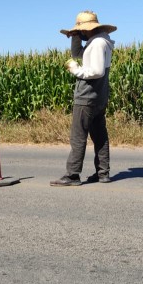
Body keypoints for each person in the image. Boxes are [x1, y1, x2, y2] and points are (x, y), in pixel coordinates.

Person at [50, 10, 117, 186]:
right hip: (100, 96)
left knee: (78, 136)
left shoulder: (96, 44)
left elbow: (96, 71)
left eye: (80, 31)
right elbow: (79, 54)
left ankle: (72, 175)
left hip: (86, 96)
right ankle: (103, 173)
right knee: (99, 135)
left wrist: (74, 69)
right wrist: (75, 38)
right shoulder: (100, 42)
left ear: (86, 29)